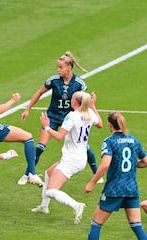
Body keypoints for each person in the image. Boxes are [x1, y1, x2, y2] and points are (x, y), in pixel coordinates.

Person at [21, 51, 104, 184]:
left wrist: (88, 112)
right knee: (41, 146)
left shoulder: (79, 83)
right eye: (57, 67)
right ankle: (28, 173)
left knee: (83, 146)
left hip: (70, 118)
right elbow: (40, 92)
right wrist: (28, 108)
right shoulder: (53, 80)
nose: (58, 70)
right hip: (53, 115)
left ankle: (97, 174)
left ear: (69, 68)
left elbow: (83, 101)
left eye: (61, 67)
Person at [31, 91, 102, 225]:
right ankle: (44, 206)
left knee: (52, 190)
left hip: (71, 160)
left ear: (75, 102)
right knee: (48, 173)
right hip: (80, 157)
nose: (70, 99)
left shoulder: (72, 116)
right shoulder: (89, 113)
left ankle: (76, 205)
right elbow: (100, 124)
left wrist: (46, 127)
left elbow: (58, 137)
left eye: (72, 98)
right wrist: (93, 106)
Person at [85, 112, 147, 240]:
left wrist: (92, 182)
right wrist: (132, 164)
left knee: (96, 224)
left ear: (110, 125)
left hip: (114, 189)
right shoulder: (134, 140)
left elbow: (105, 165)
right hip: (132, 189)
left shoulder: (109, 141)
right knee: (136, 225)